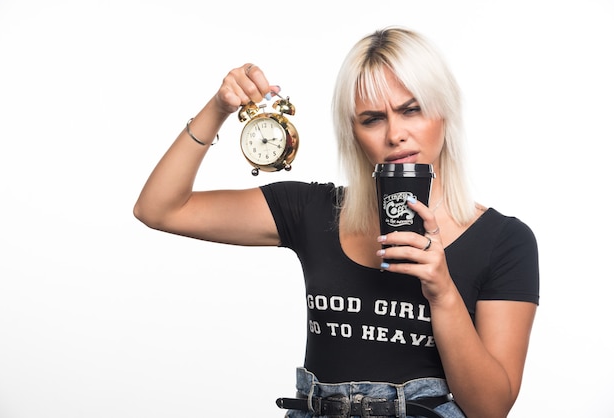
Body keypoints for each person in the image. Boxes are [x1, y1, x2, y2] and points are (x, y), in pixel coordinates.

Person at [133, 26, 539, 418]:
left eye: (411, 109)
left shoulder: (503, 240)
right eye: (372, 118)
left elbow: (490, 410)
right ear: (353, 132)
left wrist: (443, 292)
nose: (395, 134)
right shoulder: (313, 210)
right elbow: (160, 209)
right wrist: (220, 106)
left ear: (444, 112)